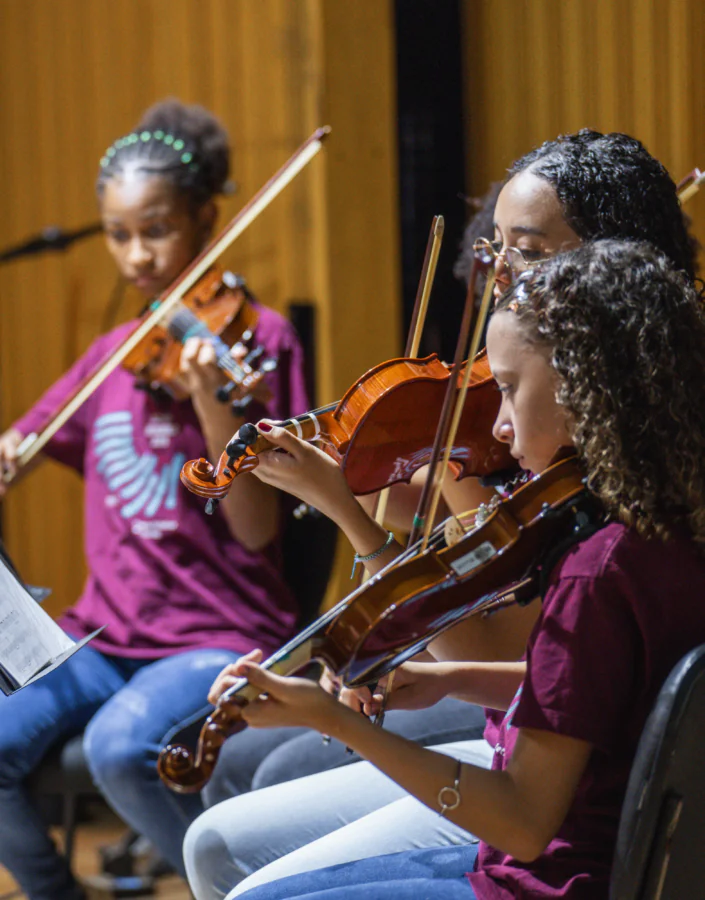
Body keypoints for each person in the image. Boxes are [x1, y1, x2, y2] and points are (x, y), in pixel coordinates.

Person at [182, 129, 698, 899]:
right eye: (496, 252)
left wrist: (337, 713)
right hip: (566, 795)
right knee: (231, 843)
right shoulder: (658, 495)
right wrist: (447, 678)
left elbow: (527, 807)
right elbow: (591, 684)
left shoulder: (600, 540)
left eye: (526, 253)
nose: (498, 422)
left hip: (554, 844)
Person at [0, 98, 308, 900]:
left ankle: (243, 891)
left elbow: (256, 529)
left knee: (118, 749)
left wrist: (213, 403)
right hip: (105, 635)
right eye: (118, 234)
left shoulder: (259, 344)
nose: (136, 255)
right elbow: (23, 441)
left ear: (206, 218)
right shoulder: (113, 355)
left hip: (220, 631)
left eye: (157, 230)